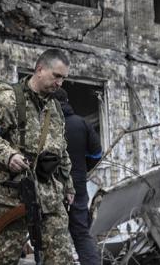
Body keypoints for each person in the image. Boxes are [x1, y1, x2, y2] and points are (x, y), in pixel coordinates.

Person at [0, 49, 75, 265]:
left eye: (63, 78)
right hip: (14, 194)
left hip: (49, 195)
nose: (60, 83)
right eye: (56, 76)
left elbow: (61, 150)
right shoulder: (9, 97)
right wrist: (8, 155)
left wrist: (68, 185)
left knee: (62, 258)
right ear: (40, 70)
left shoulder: (54, 107)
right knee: (2, 258)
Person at [53, 88, 102, 265]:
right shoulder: (82, 123)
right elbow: (97, 153)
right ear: (67, 101)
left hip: (51, 188)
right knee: (81, 233)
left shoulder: (46, 126)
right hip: (78, 185)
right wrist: (83, 169)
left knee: (51, 235)